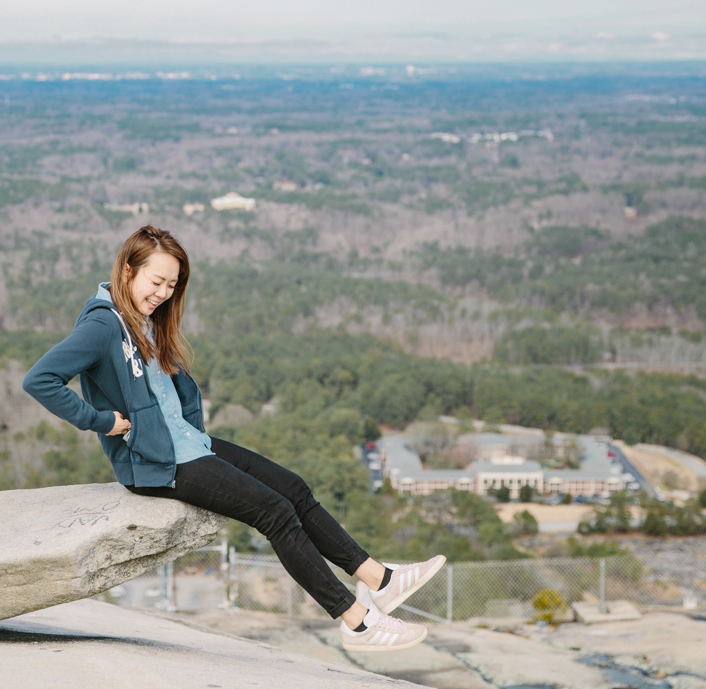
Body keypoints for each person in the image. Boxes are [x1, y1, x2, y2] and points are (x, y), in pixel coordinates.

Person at [23, 225, 446, 652]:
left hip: (186, 443)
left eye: (172, 285)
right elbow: (40, 379)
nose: (163, 293)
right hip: (155, 461)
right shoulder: (102, 325)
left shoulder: (142, 319)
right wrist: (101, 421)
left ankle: (381, 579)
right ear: (128, 269)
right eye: (156, 282)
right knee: (275, 512)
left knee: (293, 488)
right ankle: (357, 622)